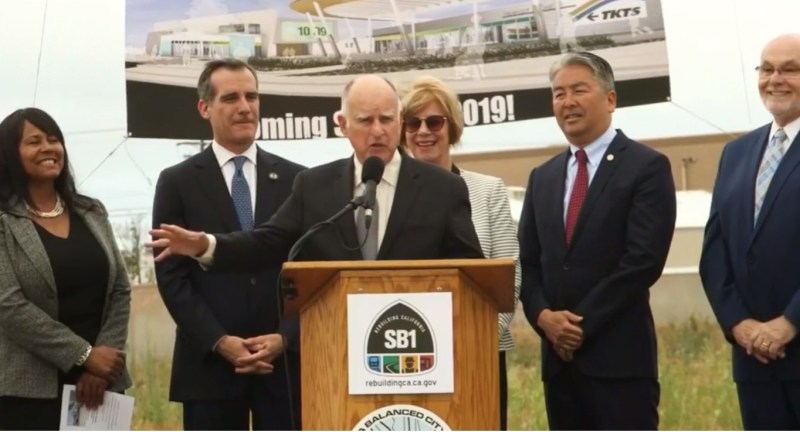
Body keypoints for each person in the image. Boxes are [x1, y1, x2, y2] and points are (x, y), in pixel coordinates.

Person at [148, 74, 485, 368]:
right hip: (335, 357)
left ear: (400, 119)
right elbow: (268, 242)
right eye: (366, 120)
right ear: (342, 124)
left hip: (423, 353)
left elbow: (473, 274)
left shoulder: (444, 189)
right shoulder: (314, 187)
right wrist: (206, 245)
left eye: (387, 119)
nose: (379, 131)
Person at [518, 52, 676, 430]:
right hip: (560, 367)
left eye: (578, 90)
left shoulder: (646, 167)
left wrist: (578, 328)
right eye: (558, 93)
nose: (567, 102)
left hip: (619, 364)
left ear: (610, 99)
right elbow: (529, 264)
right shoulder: (543, 177)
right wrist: (543, 318)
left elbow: (642, 262)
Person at [151, 58, 306, 431]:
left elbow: (310, 271)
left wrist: (286, 338)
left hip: (282, 368)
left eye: (252, 96)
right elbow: (171, 277)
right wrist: (220, 341)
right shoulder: (177, 182)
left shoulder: (297, 179)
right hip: (209, 369)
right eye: (231, 97)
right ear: (205, 107)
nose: (244, 107)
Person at [400, 75, 520, 430]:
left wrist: (476, 339)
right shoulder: (384, 196)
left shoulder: (488, 191)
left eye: (434, 121)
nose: (424, 131)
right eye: (412, 122)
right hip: (407, 359)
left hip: (478, 354)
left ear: (451, 128)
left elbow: (509, 277)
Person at [0, 107, 130, 430]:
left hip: (101, 387)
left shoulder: (91, 211)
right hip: (26, 394)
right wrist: (84, 355)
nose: (48, 148)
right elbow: (8, 305)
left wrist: (100, 364)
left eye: (54, 139)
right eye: (34, 141)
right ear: (9, 154)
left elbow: (120, 289)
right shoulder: (4, 221)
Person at [699, 33, 800, 430]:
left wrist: (790, 322)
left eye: (790, 69)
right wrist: (739, 324)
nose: (775, 79)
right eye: (767, 69)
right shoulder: (737, 153)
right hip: (753, 361)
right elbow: (715, 250)